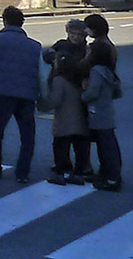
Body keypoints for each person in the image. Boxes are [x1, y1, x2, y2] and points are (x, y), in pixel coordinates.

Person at [0, 5, 42, 183]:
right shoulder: (35, 45)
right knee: (27, 135)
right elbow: (42, 74)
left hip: (3, 92)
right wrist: (42, 95)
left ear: (4, 21)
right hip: (27, 94)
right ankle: (22, 172)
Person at [44, 19, 92, 185]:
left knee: (74, 135)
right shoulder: (62, 44)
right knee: (74, 131)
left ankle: (78, 167)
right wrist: (54, 57)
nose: (75, 37)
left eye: (79, 34)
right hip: (63, 85)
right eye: (73, 33)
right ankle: (68, 165)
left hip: (76, 89)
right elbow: (47, 54)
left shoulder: (86, 51)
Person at [82, 39, 122, 191]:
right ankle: (109, 174)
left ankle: (111, 178)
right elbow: (117, 92)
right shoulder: (108, 70)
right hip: (107, 111)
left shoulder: (96, 71)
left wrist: (82, 96)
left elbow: (92, 92)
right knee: (108, 144)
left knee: (105, 147)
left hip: (97, 112)